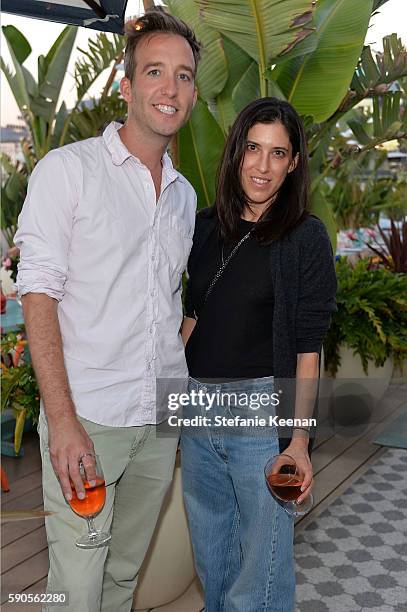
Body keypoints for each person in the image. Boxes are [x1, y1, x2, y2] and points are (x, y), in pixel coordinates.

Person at [14, 10, 200, 612]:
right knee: (77, 587)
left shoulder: (183, 197)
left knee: (122, 577)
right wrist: (62, 421)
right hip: (89, 417)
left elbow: (166, 302)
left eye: (183, 75)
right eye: (155, 72)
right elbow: (38, 296)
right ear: (126, 86)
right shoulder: (68, 173)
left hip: (160, 418)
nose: (169, 89)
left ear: (194, 91)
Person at [180, 97, 337, 612]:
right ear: (236, 152)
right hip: (198, 408)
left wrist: (297, 443)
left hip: (259, 412)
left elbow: (307, 350)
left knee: (261, 575)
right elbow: (192, 320)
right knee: (213, 562)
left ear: (293, 163)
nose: (262, 166)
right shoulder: (205, 227)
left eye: (277, 153)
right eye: (253, 148)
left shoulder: (305, 238)